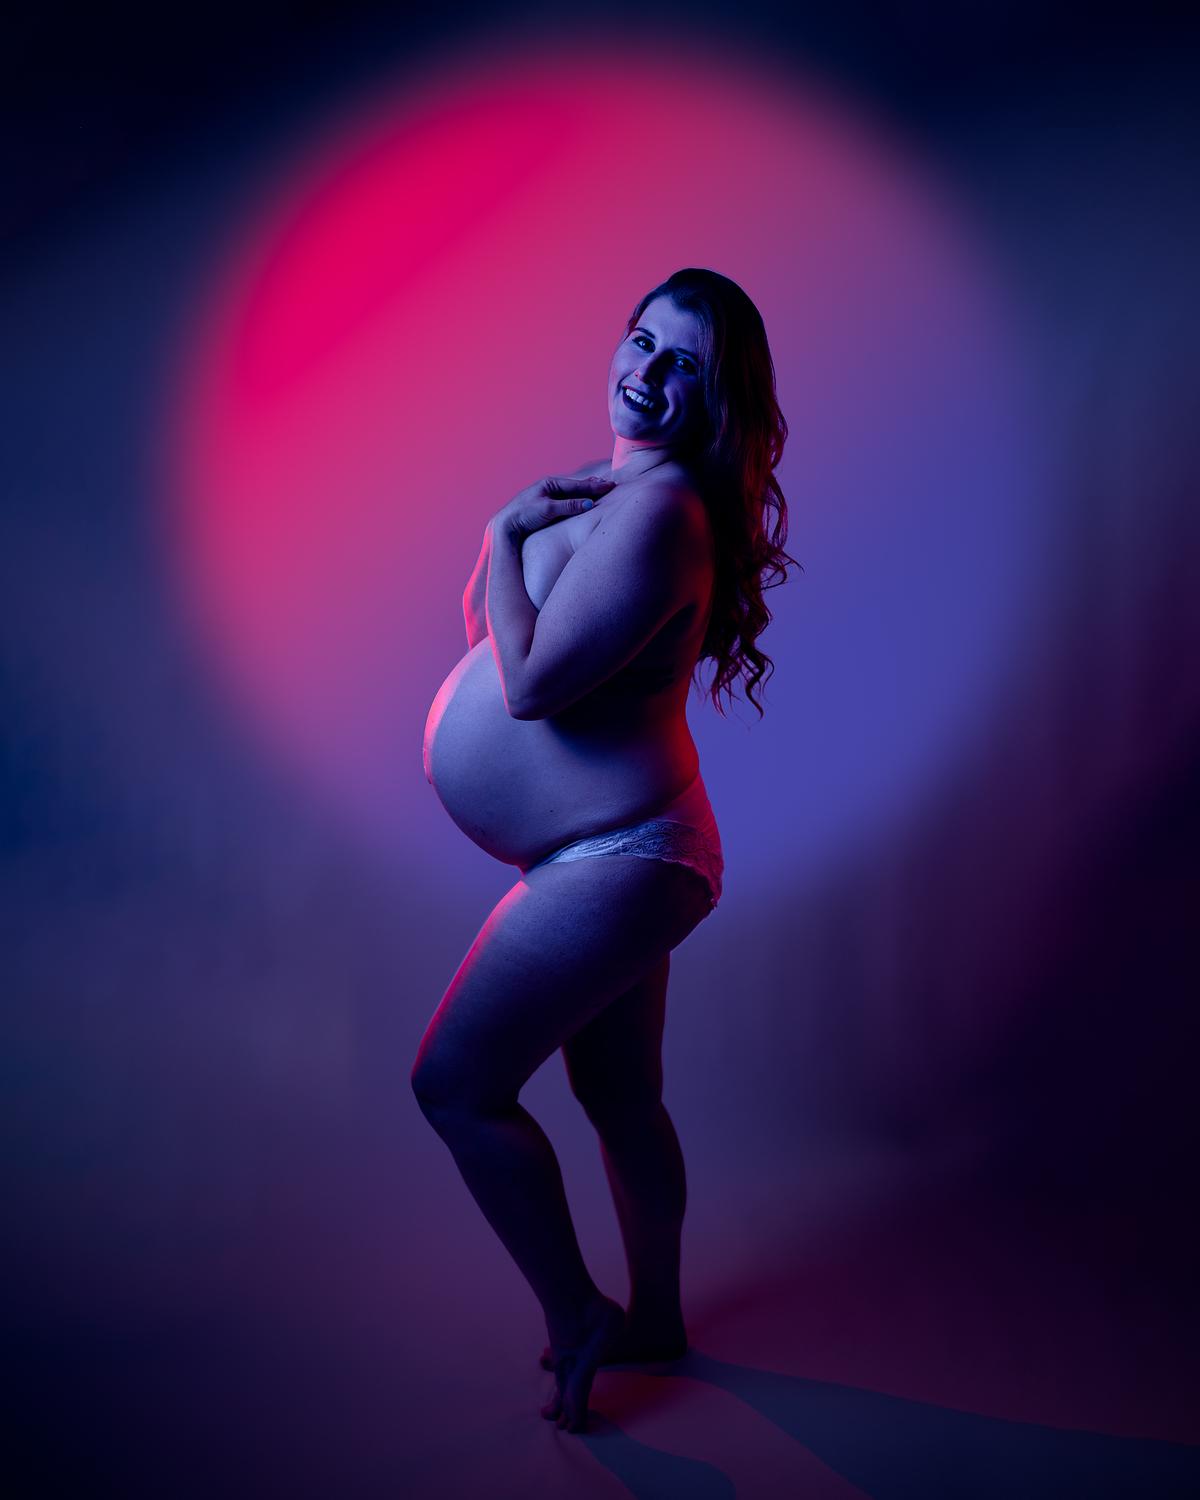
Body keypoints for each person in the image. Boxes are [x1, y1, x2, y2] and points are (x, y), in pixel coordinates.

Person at [414, 268, 796, 1433]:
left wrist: (502, 523)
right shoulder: (619, 496)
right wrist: (524, 531)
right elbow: (491, 634)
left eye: (684, 362)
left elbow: (526, 687)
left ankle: (581, 1314)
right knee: (619, 1091)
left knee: (459, 1086)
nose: (648, 370)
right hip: (603, 853)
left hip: (624, 854)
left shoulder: (666, 512)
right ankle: (659, 1323)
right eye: (641, 339)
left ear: (716, 399)